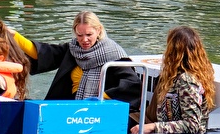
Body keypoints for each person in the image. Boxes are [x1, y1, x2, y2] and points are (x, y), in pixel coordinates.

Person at [13, 11, 142, 107]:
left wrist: (101, 97)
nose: (84, 40)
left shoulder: (114, 54)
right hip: (69, 105)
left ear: (99, 30)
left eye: (89, 34)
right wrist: (15, 36)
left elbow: (133, 85)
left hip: (98, 109)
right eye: (80, 35)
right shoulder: (73, 49)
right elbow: (45, 53)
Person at [131, 26, 215, 134]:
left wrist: (154, 127)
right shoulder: (172, 75)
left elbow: (192, 125)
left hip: (169, 133)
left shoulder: (187, 80)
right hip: (151, 120)